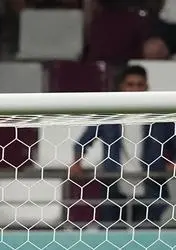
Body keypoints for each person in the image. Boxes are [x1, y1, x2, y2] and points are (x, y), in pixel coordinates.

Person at [69, 66, 176, 228]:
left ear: (146, 87)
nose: (135, 89)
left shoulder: (159, 117)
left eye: (139, 85)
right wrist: (76, 162)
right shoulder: (109, 115)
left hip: (151, 185)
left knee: (147, 237)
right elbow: (84, 141)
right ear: (122, 87)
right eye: (130, 85)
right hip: (115, 186)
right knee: (112, 234)